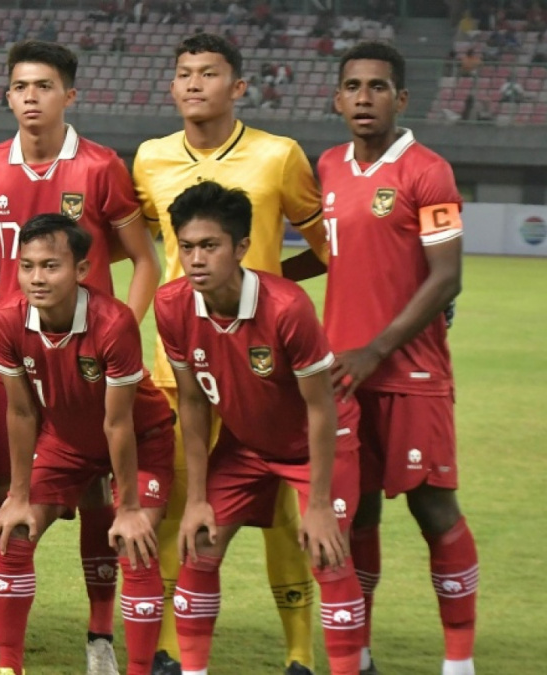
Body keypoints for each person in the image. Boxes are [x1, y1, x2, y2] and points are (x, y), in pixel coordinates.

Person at [0, 40, 162, 674]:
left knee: (102, 494)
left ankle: (101, 635)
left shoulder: (100, 167)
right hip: (14, 356)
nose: (31, 98)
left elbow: (145, 260)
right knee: (0, 490)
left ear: (69, 95)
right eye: (20, 87)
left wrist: (118, 333)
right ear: (7, 95)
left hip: (89, 359)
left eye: (44, 86)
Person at [132, 32, 328, 675]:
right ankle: (167, 649)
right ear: (172, 85)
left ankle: (299, 654)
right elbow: (140, 243)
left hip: (263, 370)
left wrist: (270, 286)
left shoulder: (279, 156)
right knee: (176, 510)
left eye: (209, 73)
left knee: (282, 517)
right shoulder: (151, 159)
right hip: (179, 365)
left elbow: (330, 247)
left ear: (237, 86)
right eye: (184, 72)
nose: (194, 83)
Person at [154, 181, 366, 675]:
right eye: (187, 247)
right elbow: (193, 402)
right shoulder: (171, 305)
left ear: (241, 247)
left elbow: (321, 407)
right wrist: (198, 498)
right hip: (245, 444)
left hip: (316, 444)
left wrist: (318, 504)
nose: (196, 260)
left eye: (210, 245)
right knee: (200, 544)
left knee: (328, 553)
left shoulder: (286, 307)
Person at [321, 41, 477, 675]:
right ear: (337, 99)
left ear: (401, 99)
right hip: (341, 376)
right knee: (354, 514)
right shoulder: (327, 166)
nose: (364, 97)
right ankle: (359, 655)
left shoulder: (428, 171)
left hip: (411, 372)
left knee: (433, 508)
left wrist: (376, 347)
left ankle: (458, 662)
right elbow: (335, 255)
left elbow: (447, 277)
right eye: (353, 86)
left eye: (378, 87)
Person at [0, 215, 174, 675]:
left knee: (134, 542)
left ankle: (123, 658)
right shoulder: (6, 318)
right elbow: (22, 413)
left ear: (82, 269)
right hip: (65, 440)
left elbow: (118, 422)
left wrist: (130, 508)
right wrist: (18, 495)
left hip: (140, 440)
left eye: (51, 266)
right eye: (27, 266)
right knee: (15, 533)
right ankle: (9, 666)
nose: (37, 278)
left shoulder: (113, 322)